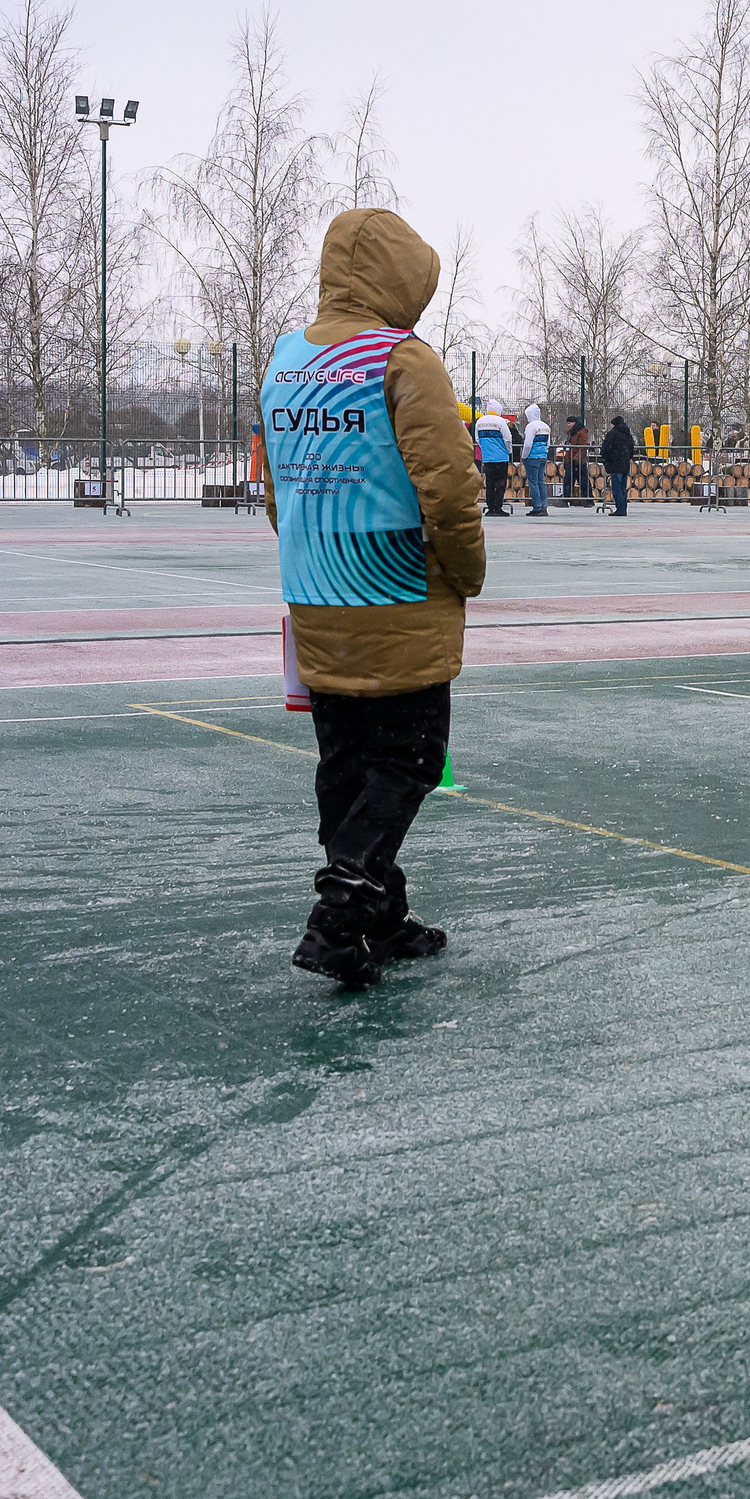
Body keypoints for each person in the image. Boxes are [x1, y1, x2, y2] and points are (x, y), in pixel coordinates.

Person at [260, 208, 486, 988]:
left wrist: (313, 556)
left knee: (345, 761)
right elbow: (448, 486)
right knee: (411, 755)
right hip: (394, 592)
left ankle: (378, 916)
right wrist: (464, 571)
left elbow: (275, 486)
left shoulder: (286, 360)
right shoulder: (404, 360)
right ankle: (340, 913)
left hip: (316, 590)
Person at [474, 405, 513, 515]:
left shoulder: (480, 422)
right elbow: (507, 438)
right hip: (501, 457)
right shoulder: (500, 421)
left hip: (487, 458)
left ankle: (490, 507)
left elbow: (477, 439)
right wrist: (508, 451)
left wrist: (486, 450)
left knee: (490, 483)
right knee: (500, 484)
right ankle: (498, 507)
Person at [520, 403, 552, 515]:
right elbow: (548, 444)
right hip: (542, 456)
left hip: (532, 456)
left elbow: (528, 443)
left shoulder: (531, 427)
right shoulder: (546, 426)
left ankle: (537, 507)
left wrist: (524, 456)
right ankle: (544, 506)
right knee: (541, 481)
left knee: (533, 482)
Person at [600, 414, 633, 515]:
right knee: (623, 488)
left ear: (614, 424)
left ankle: (620, 509)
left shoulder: (612, 434)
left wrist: (605, 460)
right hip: (625, 464)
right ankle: (623, 508)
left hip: (615, 464)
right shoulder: (628, 434)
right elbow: (631, 450)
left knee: (616, 488)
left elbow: (606, 448)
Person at [562, 415, 590, 503]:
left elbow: (583, 446)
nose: (568, 425)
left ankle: (587, 498)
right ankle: (566, 498)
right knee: (569, 480)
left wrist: (577, 458)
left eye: (569, 423)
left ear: (574, 423)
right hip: (571, 459)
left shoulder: (581, 432)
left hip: (578, 460)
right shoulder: (571, 433)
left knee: (582, 480)